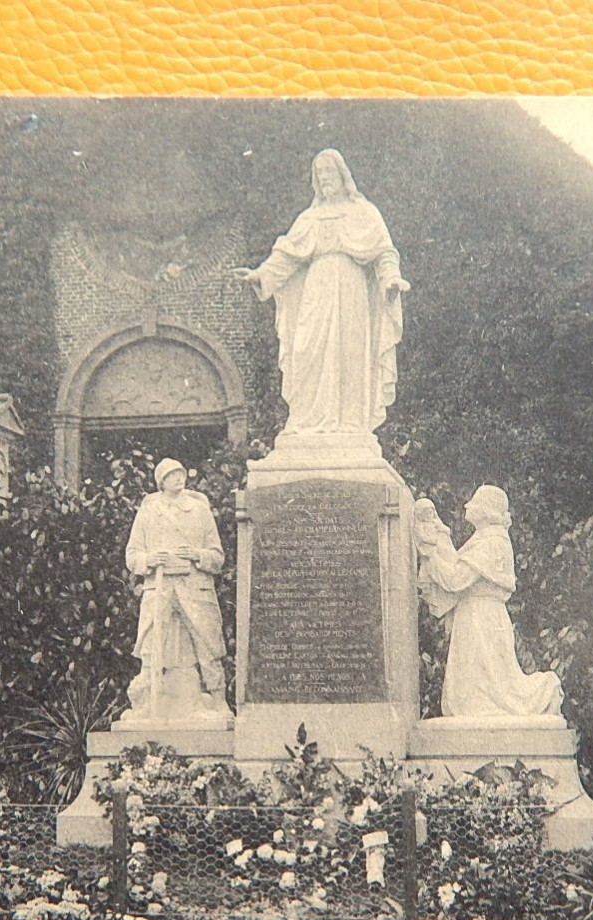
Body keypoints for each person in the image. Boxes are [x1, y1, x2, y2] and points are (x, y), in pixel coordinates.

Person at [235, 148, 409, 438]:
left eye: (329, 172)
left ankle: (350, 423)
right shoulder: (309, 218)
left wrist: (391, 279)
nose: (325, 178)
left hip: (350, 288)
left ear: (343, 175)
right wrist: (260, 275)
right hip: (316, 290)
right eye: (320, 174)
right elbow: (286, 257)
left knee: (349, 351)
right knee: (307, 350)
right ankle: (306, 420)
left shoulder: (364, 213)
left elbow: (383, 253)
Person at [417, 486, 564, 719]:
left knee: (487, 687)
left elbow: (455, 579)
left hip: (481, 616)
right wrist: (439, 542)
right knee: (479, 685)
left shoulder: (492, 541)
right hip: (478, 614)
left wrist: (431, 550)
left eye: (474, 501)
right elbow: (457, 570)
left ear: (486, 510)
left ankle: (542, 692)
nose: (468, 506)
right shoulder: (484, 538)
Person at [122, 458, 229, 722]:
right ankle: (147, 703)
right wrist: (149, 559)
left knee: (208, 645)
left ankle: (218, 701)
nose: (178, 479)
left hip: (195, 587)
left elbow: (217, 557)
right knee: (150, 647)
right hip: (159, 587)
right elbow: (132, 555)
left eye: (181, 473)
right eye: (171, 475)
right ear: (161, 481)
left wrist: (196, 554)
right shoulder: (148, 512)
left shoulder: (199, 510)